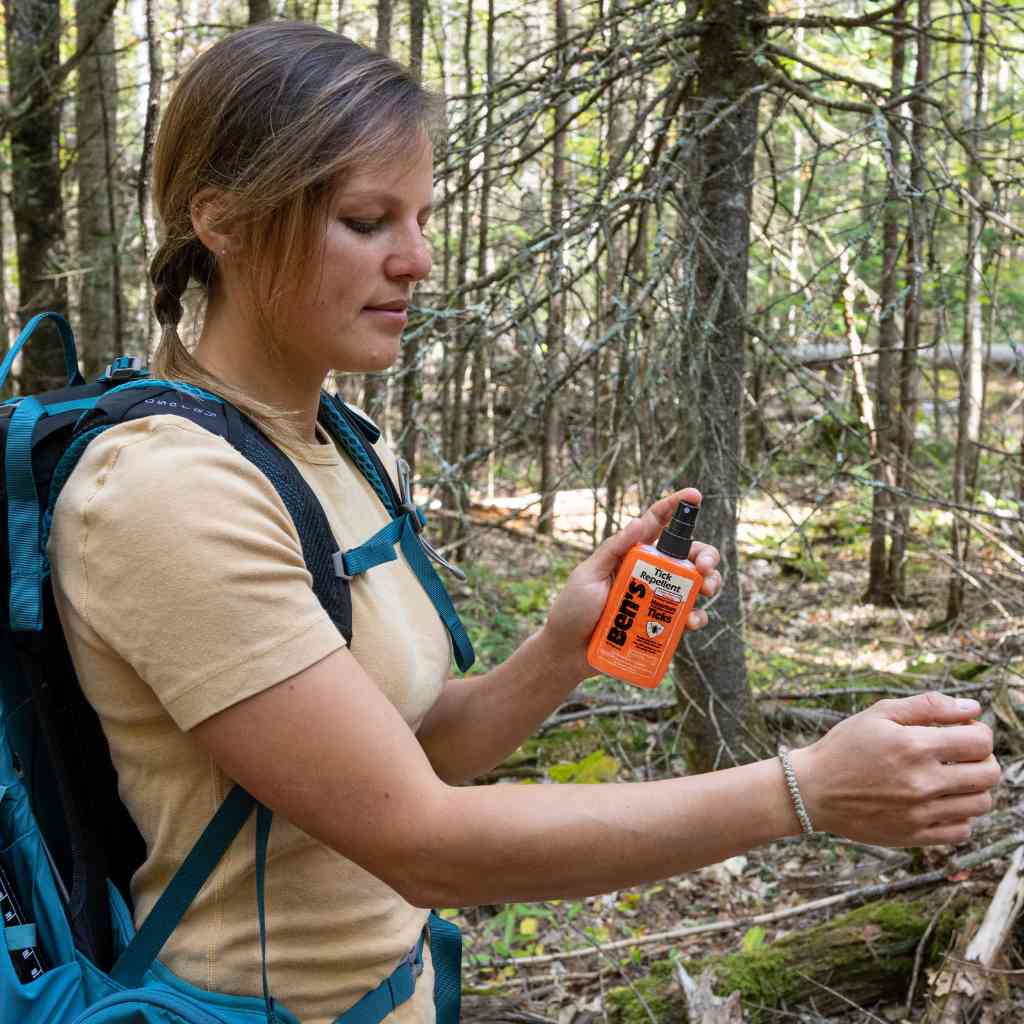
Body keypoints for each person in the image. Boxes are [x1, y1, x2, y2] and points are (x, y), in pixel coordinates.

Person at [48, 20, 1000, 1024]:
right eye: (369, 220)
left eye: (420, 217)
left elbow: (408, 754)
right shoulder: (167, 491)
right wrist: (801, 790)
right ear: (224, 222)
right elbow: (421, 836)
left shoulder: (330, 443)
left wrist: (562, 646)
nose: (415, 259)